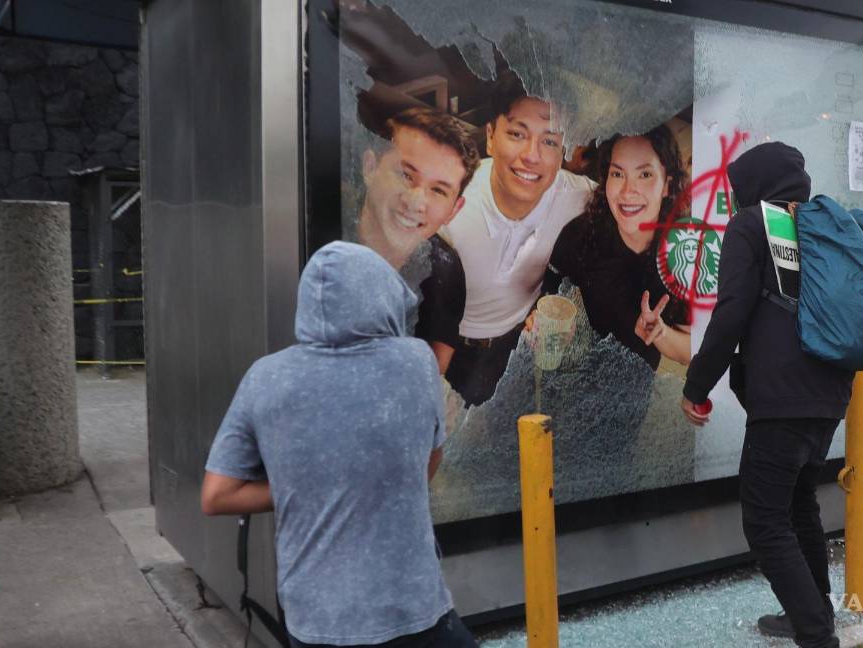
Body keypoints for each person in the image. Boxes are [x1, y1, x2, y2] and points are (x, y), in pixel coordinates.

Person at [201, 242, 476, 648]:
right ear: (383, 295)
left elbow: (216, 496)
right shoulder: (416, 363)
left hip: (316, 619)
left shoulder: (265, 378)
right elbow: (426, 465)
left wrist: (308, 483)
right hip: (412, 610)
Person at [680, 142, 851, 648]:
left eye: (736, 192)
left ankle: (817, 635)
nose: (733, 201)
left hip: (781, 397)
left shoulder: (753, 224)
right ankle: (812, 614)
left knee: (764, 519)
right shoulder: (819, 222)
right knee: (800, 507)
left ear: (753, 185)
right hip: (828, 394)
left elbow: (731, 311)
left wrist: (696, 385)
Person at [442, 73, 595, 405]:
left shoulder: (573, 194)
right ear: (491, 137)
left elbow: (630, 208)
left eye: (549, 141)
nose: (532, 155)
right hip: (450, 352)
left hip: (517, 350)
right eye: (517, 134)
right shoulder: (450, 201)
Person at [543, 126, 692, 369]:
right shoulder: (582, 233)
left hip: (630, 385)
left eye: (644, 175)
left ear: (667, 185)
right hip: (569, 369)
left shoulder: (684, 255)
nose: (627, 191)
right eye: (618, 174)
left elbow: (691, 351)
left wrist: (661, 333)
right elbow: (550, 287)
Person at [357, 106, 481, 373]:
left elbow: (429, 380)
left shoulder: (445, 271)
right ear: (370, 167)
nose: (415, 201)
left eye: (438, 190)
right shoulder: (312, 237)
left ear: (453, 210)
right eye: (405, 175)